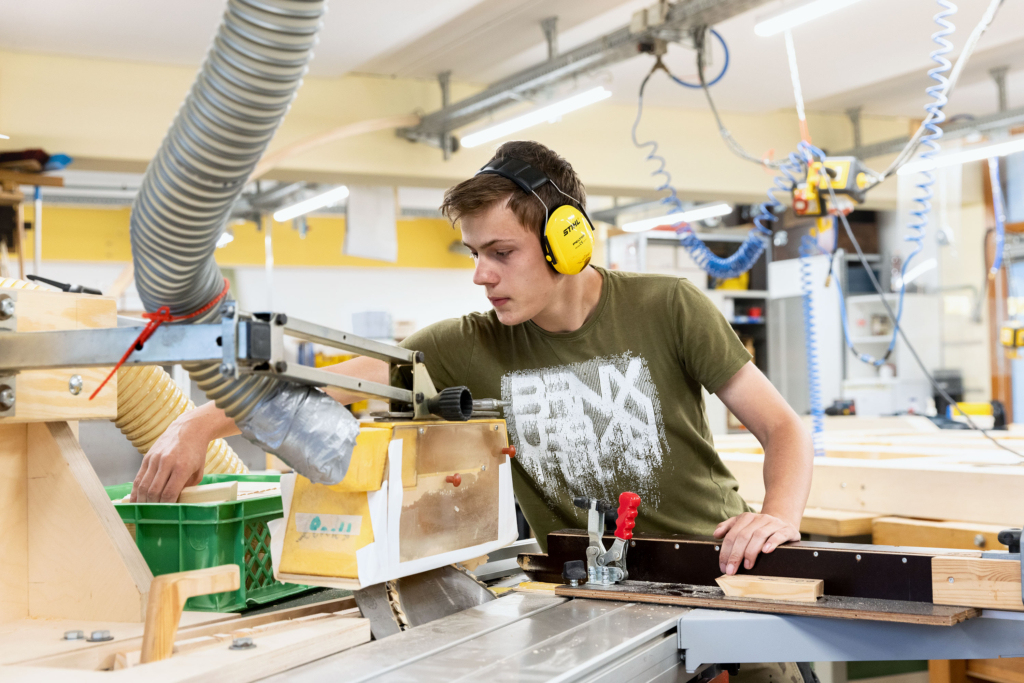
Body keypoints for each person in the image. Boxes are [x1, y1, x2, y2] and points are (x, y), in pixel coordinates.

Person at [131, 140, 813, 581]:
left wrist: (778, 514)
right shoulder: (464, 344)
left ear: (566, 241)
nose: (482, 275)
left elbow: (782, 427)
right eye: (475, 254)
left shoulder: (668, 306)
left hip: (715, 568)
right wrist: (196, 424)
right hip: (589, 590)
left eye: (501, 252)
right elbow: (326, 386)